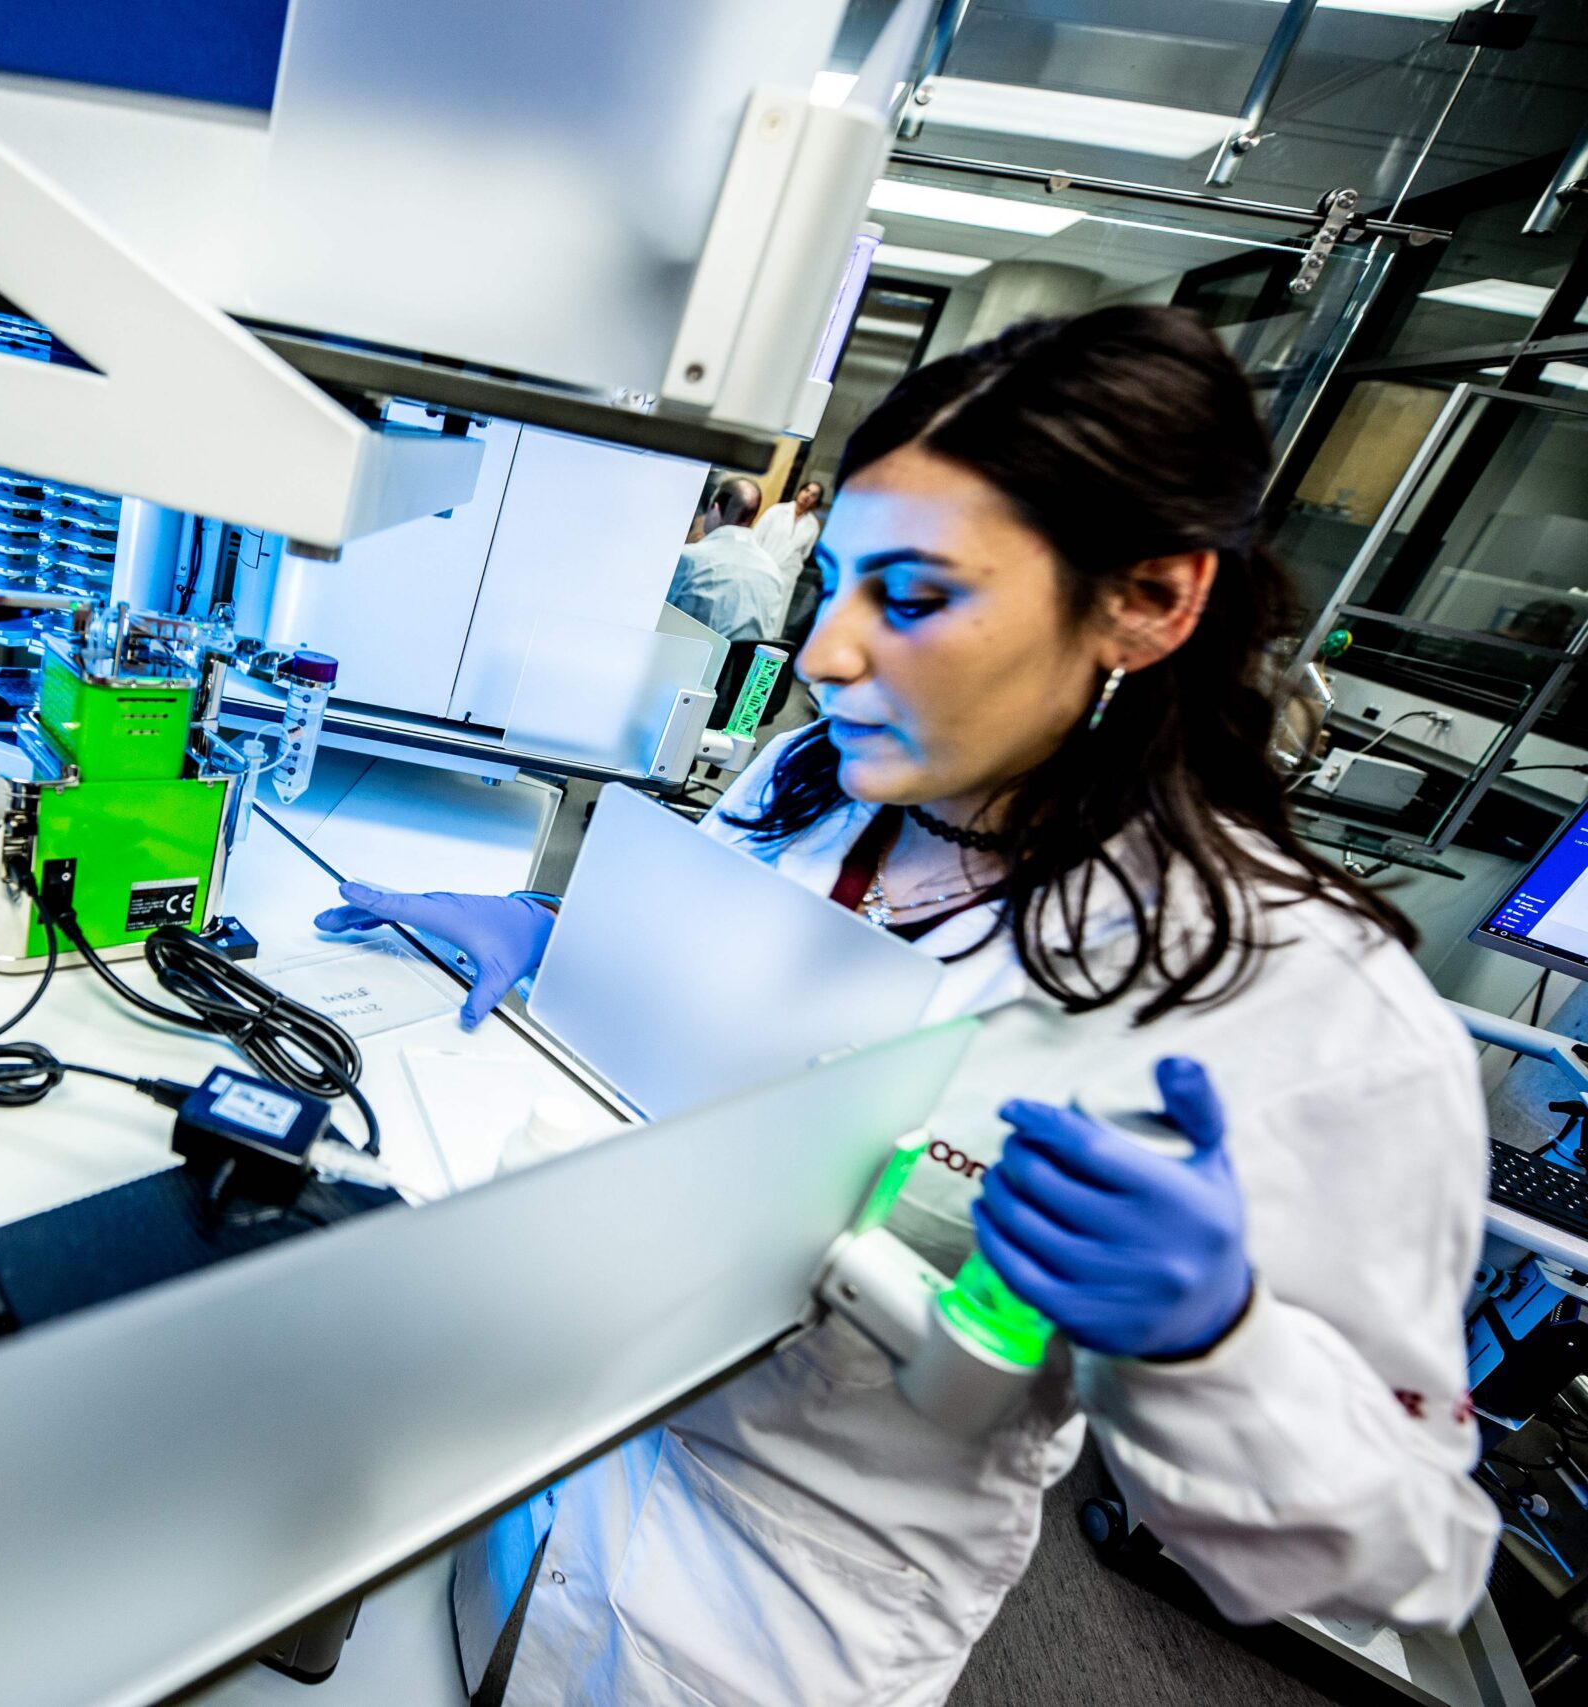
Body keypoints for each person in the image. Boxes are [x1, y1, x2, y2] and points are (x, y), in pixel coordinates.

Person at [315, 306, 1495, 1706]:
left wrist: (1210, 1338)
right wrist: (564, 938)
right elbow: (758, 1034)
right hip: (541, 1475)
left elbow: (1414, 1556)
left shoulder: (1308, 1009)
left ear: (1150, 602)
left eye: (916, 599)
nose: (825, 653)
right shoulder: (820, 781)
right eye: (837, 583)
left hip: (767, 1621)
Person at [666, 470, 788, 645]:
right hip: (741, 669)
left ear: (715, 509)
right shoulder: (772, 570)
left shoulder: (691, 558)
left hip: (688, 666)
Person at [751, 477, 826, 613]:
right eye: (806, 490)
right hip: (761, 570)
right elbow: (756, 537)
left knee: (770, 617)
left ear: (816, 502)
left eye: (813, 495)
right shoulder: (777, 511)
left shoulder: (812, 525)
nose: (807, 496)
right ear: (800, 491)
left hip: (785, 577)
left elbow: (804, 554)